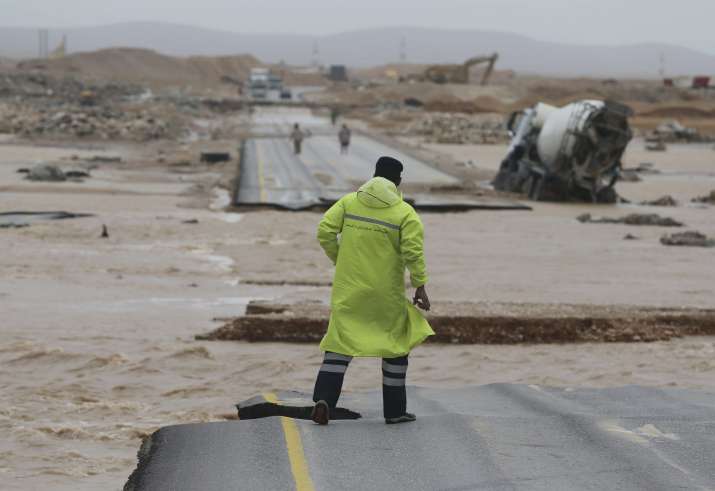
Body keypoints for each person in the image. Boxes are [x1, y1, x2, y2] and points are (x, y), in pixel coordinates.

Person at [311, 156, 433, 425]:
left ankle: (324, 400)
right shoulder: (404, 213)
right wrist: (420, 284)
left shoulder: (349, 202)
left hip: (349, 289)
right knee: (395, 345)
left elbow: (324, 231)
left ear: (374, 174)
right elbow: (413, 252)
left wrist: (339, 258)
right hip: (385, 294)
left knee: (340, 343)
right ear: (398, 181)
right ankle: (395, 411)